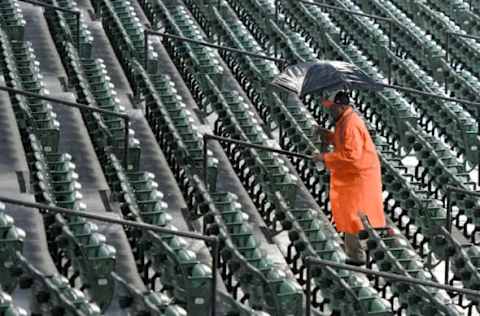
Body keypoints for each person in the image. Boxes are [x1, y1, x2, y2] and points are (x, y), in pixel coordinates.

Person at [312, 91, 385, 265]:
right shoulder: (344, 120)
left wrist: (324, 158)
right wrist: (328, 135)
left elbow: (351, 155)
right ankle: (357, 251)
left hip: (360, 175)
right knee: (353, 213)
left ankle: (357, 255)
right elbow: (342, 142)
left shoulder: (350, 124)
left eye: (333, 107)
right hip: (354, 174)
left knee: (354, 214)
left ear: (342, 106)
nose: (330, 111)